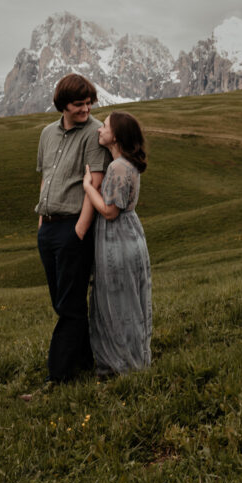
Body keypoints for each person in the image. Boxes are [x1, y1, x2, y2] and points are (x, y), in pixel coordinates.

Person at [34, 74, 111, 385]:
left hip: (72, 228)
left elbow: (95, 183)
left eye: (89, 102)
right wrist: (41, 222)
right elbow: (46, 177)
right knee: (63, 301)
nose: (86, 108)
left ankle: (58, 375)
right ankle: (83, 361)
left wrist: (79, 230)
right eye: (79, 104)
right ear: (63, 105)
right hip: (48, 227)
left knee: (69, 303)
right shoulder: (46, 134)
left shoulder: (94, 132)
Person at [82, 111, 152, 375]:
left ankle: (122, 364)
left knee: (117, 300)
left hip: (117, 237)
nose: (99, 129)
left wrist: (88, 186)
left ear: (117, 136)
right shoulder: (126, 165)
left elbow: (110, 211)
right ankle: (131, 359)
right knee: (130, 298)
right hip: (130, 233)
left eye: (106, 126)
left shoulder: (117, 167)